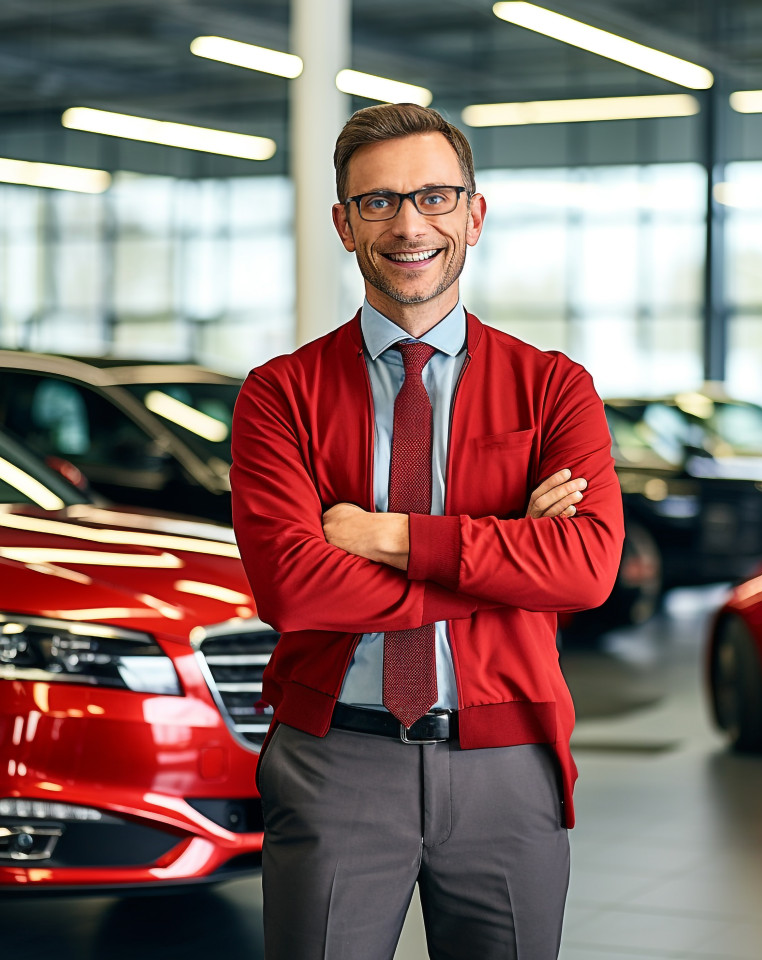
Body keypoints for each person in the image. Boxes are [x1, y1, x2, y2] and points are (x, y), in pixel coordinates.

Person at [230, 102, 624, 960]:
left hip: (509, 761)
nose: (410, 225)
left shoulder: (554, 388)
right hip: (335, 756)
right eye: (378, 203)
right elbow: (293, 589)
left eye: (436, 197)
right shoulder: (279, 394)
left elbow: (587, 569)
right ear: (344, 224)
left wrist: (384, 536)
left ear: (474, 215)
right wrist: (508, 550)